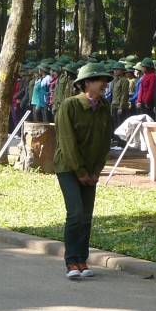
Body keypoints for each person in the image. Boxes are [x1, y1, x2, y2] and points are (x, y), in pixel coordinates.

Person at [53, 62, 113, 280]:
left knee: (86, 217)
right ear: (87, 83)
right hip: (69, 167)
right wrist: (80, 172)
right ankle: (71, 262)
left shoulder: (105, 106)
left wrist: (96, 171)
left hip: (90, 169)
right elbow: (67, 143)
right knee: (76, 213)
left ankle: (82, 260)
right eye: (101, 80)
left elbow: (105, 141)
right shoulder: (69, 106)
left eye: (106, 80)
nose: (105, 84)